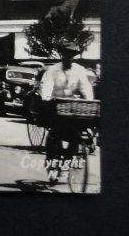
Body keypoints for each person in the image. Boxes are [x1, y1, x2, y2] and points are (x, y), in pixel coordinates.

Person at [40, 41, 94, 180]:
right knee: (54, 136)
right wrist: (47, 99)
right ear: (62, 55)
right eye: (66, 55)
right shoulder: (53, 69)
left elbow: (86, 88)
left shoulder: (79, 70)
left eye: (72, 55)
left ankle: (66, 164)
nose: (69, 58)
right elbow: (47, 86)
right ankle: (52, 166)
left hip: (72, 107)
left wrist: (88, 101)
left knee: (75, 137)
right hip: (56, 105)